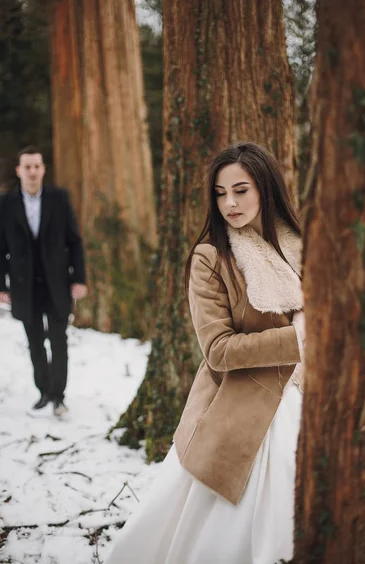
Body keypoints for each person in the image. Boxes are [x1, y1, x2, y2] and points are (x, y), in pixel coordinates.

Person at [105, 142, 306, 564]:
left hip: (304, 398)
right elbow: (218, 350)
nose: (229, 203)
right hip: (238, 407)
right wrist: (298, 340)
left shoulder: (298, 247)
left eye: (241, 190)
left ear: (266, 189)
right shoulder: (211, 257)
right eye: (220, 193)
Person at [0, 146, 87, 415]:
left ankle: (59, 395)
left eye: (37, 166)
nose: (33, 171)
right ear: (19, 171)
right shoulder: (6, 203)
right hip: (24, 286)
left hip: (58, 283)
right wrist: (1, 285)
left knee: (59, 340)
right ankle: (44, 391)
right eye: (27, 167)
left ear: (43, 169)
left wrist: (79, 279)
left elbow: (74, 241)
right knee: (35, 341)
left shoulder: (60, 199)